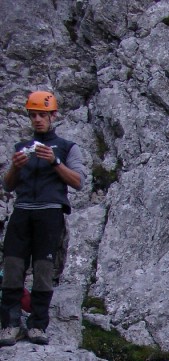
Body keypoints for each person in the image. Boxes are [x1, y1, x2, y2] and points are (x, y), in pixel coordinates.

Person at [1, 90, 85, 346]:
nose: (38, 120)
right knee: (13, 268)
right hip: (23, 211)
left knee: (43, 270)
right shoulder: (21, 148)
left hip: (50, 213)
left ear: (53, 115)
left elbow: (79, 181)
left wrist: (55, 162)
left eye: (43, 115)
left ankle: (38, 325)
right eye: (33, 115)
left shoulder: (67, 147)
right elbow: (8, 185)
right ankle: (9, 325)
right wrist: (15, 166)